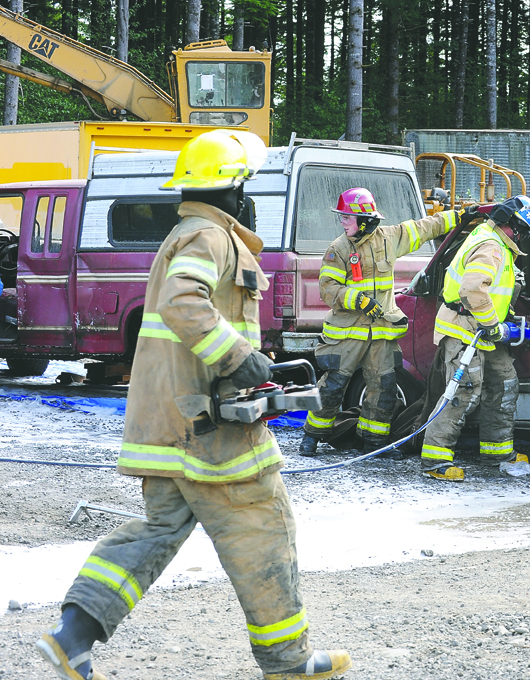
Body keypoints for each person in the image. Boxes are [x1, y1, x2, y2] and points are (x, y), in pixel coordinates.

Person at [35, 130, 351, 680]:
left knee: (158, 530)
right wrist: (239, 359)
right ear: (232, 187)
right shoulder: (210, 235)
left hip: (168, 424)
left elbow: (192, 316)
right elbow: (185, 304)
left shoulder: (186, 233)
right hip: (209, 430)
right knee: (262, 525)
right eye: (245, 182)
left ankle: (74, 635)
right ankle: (289, 662)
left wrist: (252, 359)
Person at [298, 188, 464, 457]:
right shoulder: (338, 249)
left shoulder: (390, 238)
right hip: (347, 333)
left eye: (346, 218)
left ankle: (374, 441)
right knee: (333, 386)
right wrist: (358, 300)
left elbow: (425, 227)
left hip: (382, 332)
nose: (342, 222)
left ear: (364, 220)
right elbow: (328, 289)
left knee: (383, 387)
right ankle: (312, 435)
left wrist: (460, 216)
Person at [419, 195, 530, 481]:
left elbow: (494, 292)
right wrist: (494, 326)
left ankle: (498, 451)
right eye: (519, 231)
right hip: (465, 328)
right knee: (463, 391)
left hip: (484, 329)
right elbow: (473, 291)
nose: (520, 237)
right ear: (509, 224)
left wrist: (500, 321)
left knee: (504, 380)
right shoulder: (491, 246)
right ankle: (435, 460)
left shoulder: (499, 245)